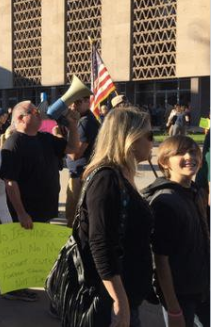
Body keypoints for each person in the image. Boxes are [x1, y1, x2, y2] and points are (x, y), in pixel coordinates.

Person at [75, 106, 154, 326]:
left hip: (126, 294)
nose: (152, 141)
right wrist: (120, 302)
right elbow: (100, 244)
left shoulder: (120, 175)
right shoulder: (106, 179)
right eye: (149, 135)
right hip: (111, 301)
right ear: (129, 138)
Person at [0, 100, 79, 301]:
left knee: (33, 250)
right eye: (33, 111)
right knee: (23, 249)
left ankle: (23, 286)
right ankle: (13, 288)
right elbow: (10, 182)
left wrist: (74, 125)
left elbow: (73, 149)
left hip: (44, 206)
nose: (38, 113)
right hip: (27, 209)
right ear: (20, 118)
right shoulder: (14, 143)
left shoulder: (44, 138)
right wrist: (21, 212)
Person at [142, 136, 210, 327]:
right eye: (180, 153)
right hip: (181, 294)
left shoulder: (196, 192)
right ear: (165, 162)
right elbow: (161, 261)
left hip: (202, 286)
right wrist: (173, 308)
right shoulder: (165, 202)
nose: (190, 156)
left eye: (194, 151)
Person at [65, 95, 100, 227]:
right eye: (71, 102)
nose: (73, 106)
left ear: (87, 102)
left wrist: (59, 139)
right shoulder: (84, 120)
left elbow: (75, 154)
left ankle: (74, 246)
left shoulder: (85, 122)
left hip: (80, 176)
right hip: (81, 174)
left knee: (73, 218)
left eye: (78, 102)